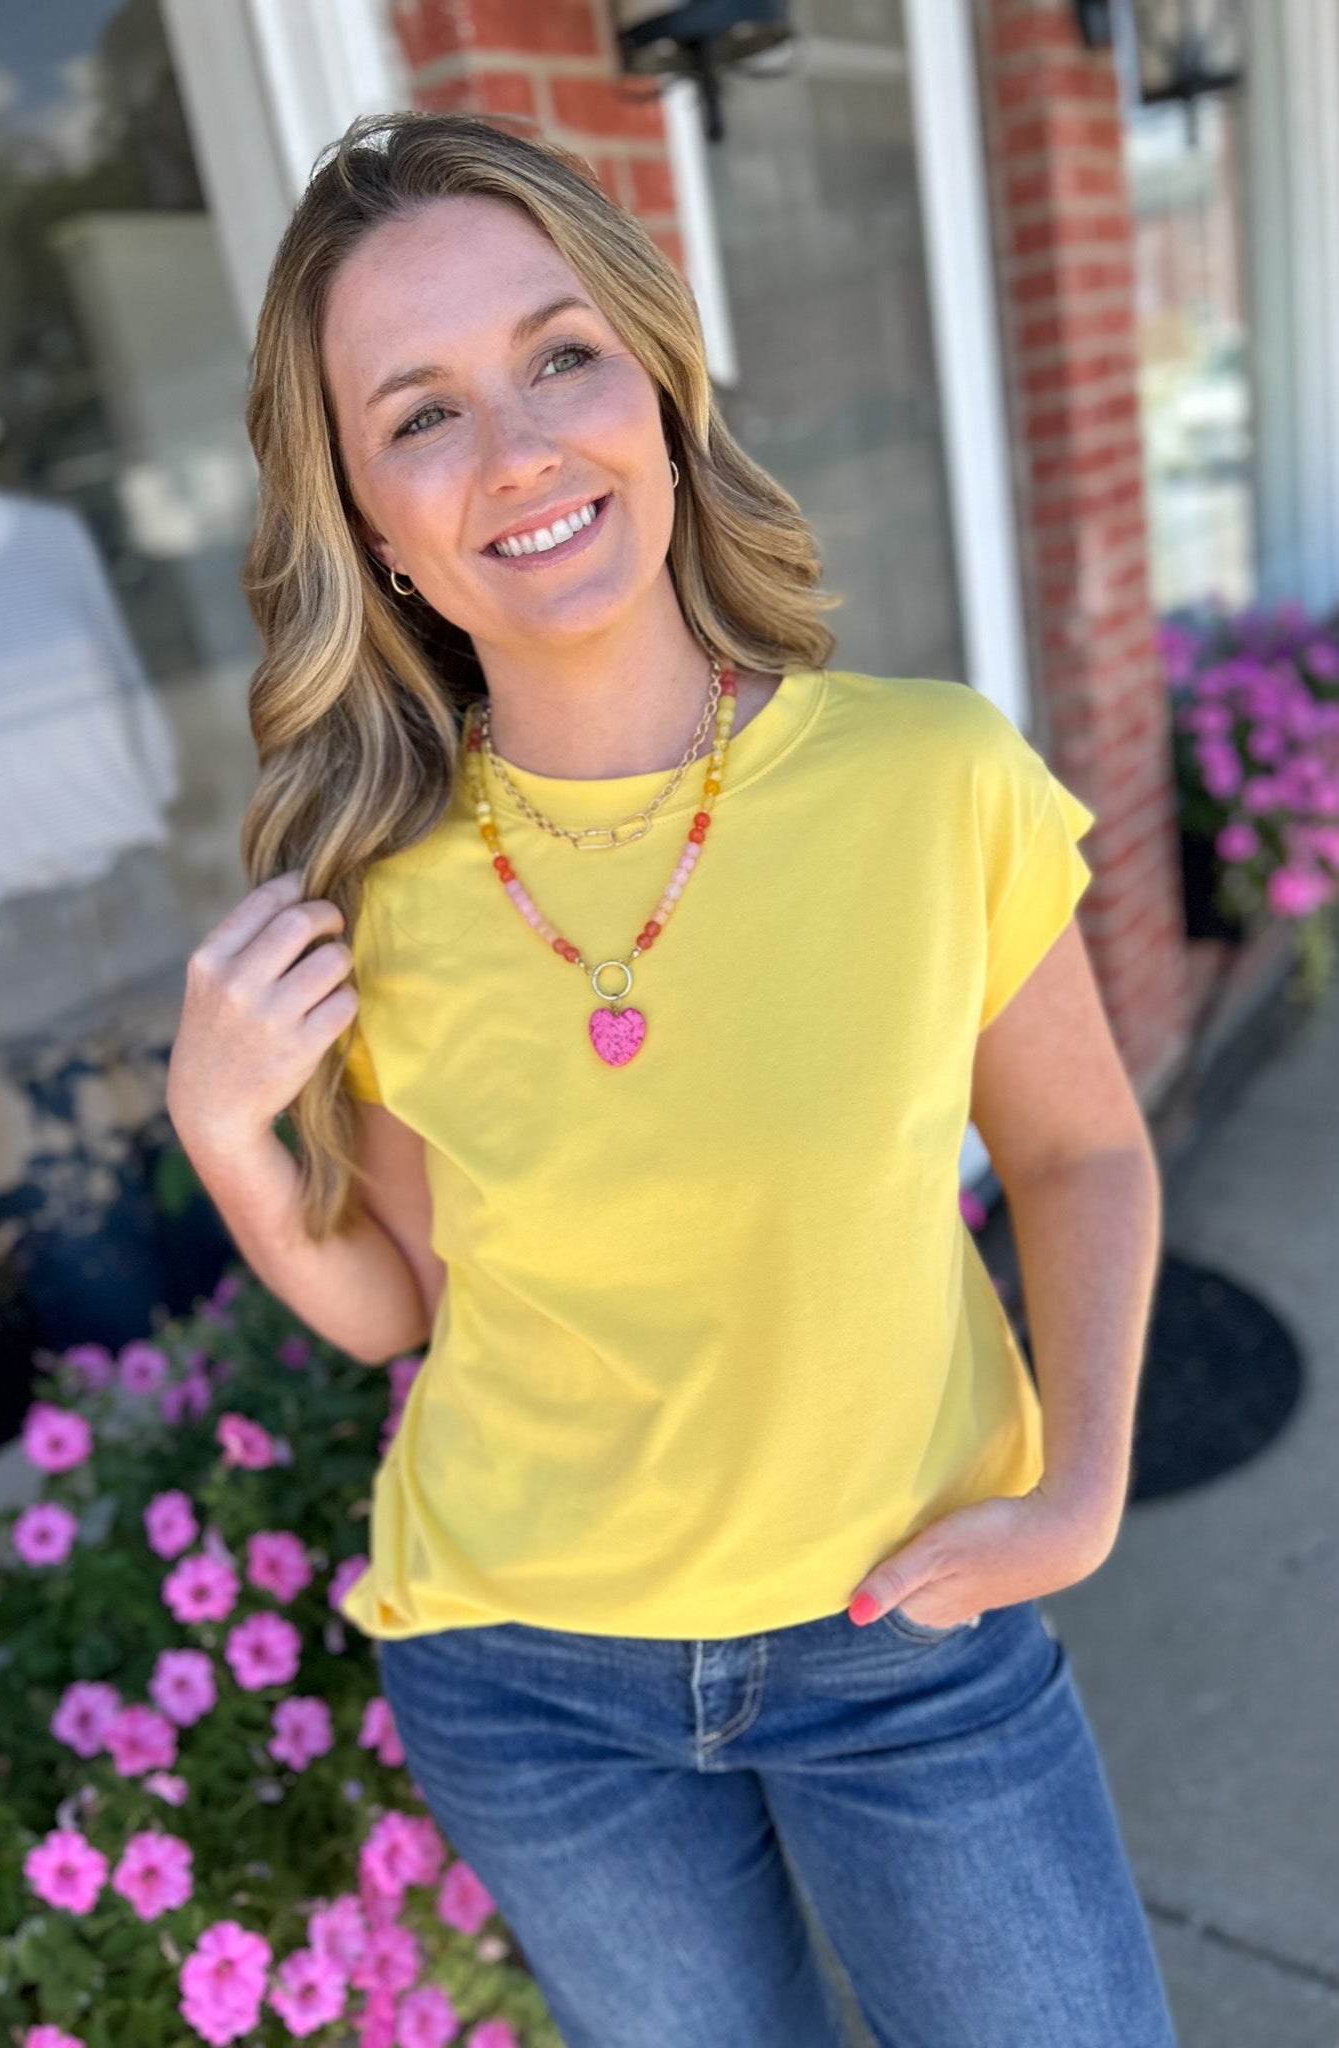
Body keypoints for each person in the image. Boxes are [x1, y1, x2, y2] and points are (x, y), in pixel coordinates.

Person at [166, 111, 1178, 2048]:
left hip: (902, 1641)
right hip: (527, 1678)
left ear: (657, 382)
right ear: (368, 516)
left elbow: (1075, 1149)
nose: (519, 449)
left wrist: (1076, 1493)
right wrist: (226, 1135)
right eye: (419, 412)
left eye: (558, 357)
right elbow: (410, 1310)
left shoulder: (921, 775)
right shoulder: (372, 886)